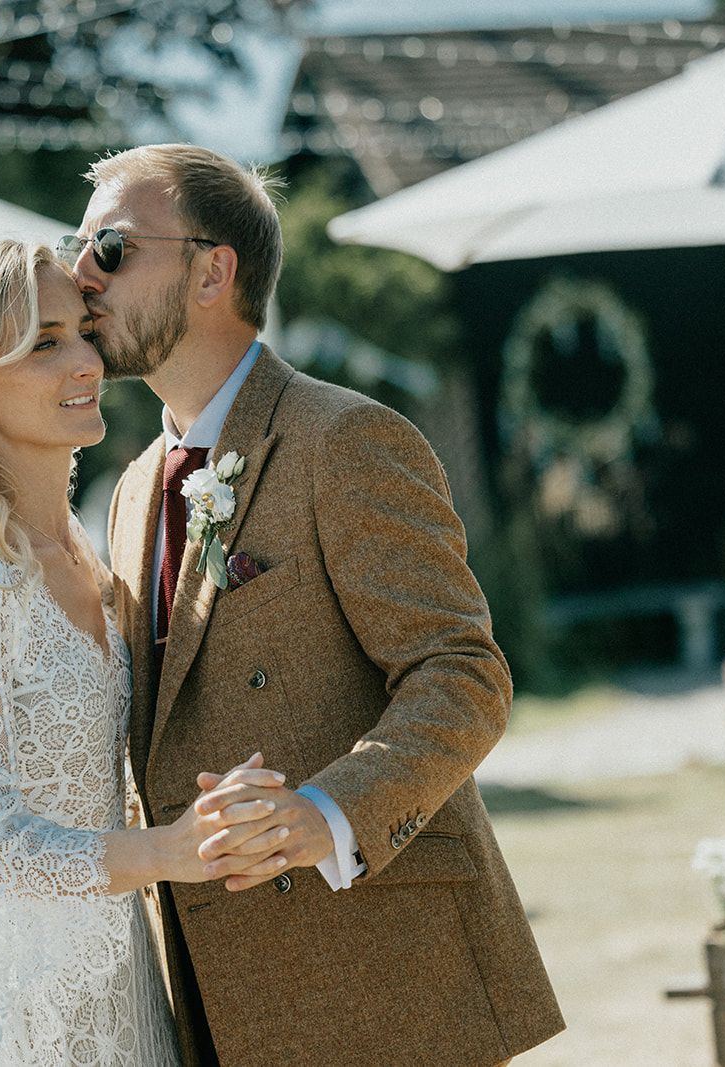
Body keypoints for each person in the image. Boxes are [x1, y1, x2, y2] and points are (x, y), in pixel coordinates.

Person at [63, 144, 566, 1067]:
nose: (78, 274)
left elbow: (464, 674)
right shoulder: (134, 490)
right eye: (79, 245)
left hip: (383, 988)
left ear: (215, 268)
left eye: (113, 247)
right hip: (213, 993)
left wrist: (326, 812)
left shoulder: (348, 439)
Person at [0, 240, 290, 1065]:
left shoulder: (89, 553)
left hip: (123, 976)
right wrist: (171, 851)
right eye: (42, 342)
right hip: (22, 1003)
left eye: (80, 331)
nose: (84, 361)